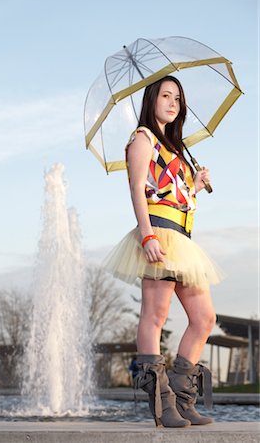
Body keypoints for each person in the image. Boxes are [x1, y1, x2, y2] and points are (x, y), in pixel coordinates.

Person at [103, 75, 223, 428]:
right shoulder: (143, 139)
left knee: (204, 319)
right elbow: (139, 192)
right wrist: (146, 236)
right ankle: (161, 404)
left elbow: (171, 197)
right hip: (157, 236)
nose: (173, 103)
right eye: (166, 96)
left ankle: (183, 399)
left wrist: (195, 186)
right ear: (151, 100)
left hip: (182, 240)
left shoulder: (174, 148)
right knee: (155, 316)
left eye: (178, 98)